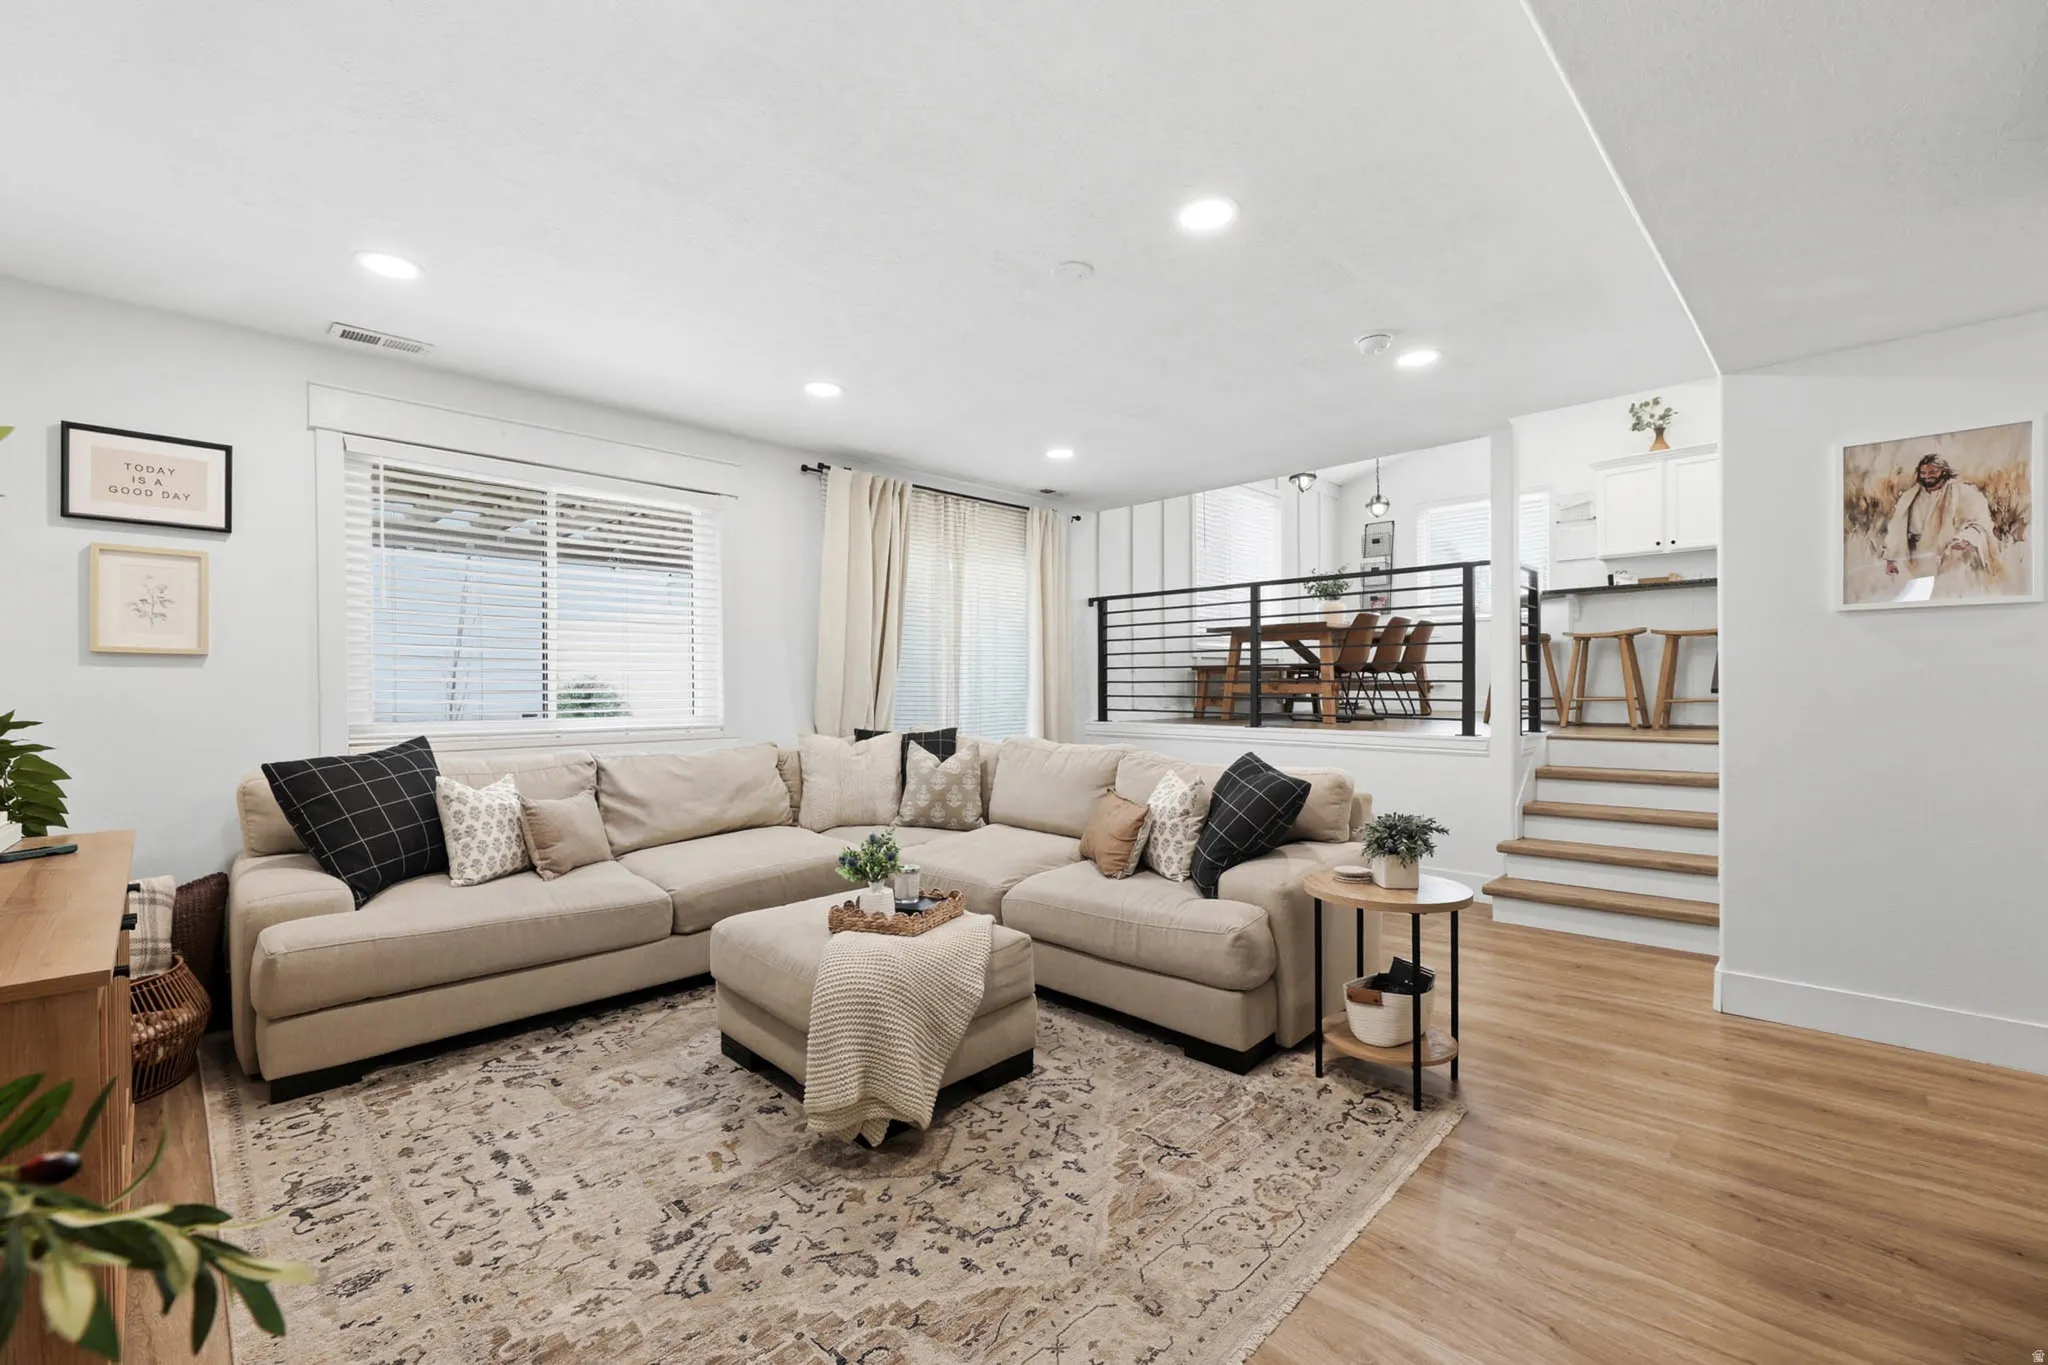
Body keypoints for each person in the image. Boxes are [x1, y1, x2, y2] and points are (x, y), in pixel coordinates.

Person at [1881, 454, 1998, 595]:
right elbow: (1896, 528)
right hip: (1915, 558)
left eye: (1932, 472)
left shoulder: (1963, 492)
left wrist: (1967, 539)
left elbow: (1979, 522)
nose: (1926, 476)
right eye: (1923, 473)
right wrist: (1890, 559)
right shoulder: (1909, 497)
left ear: (1943, 471)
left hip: (1950, 557)